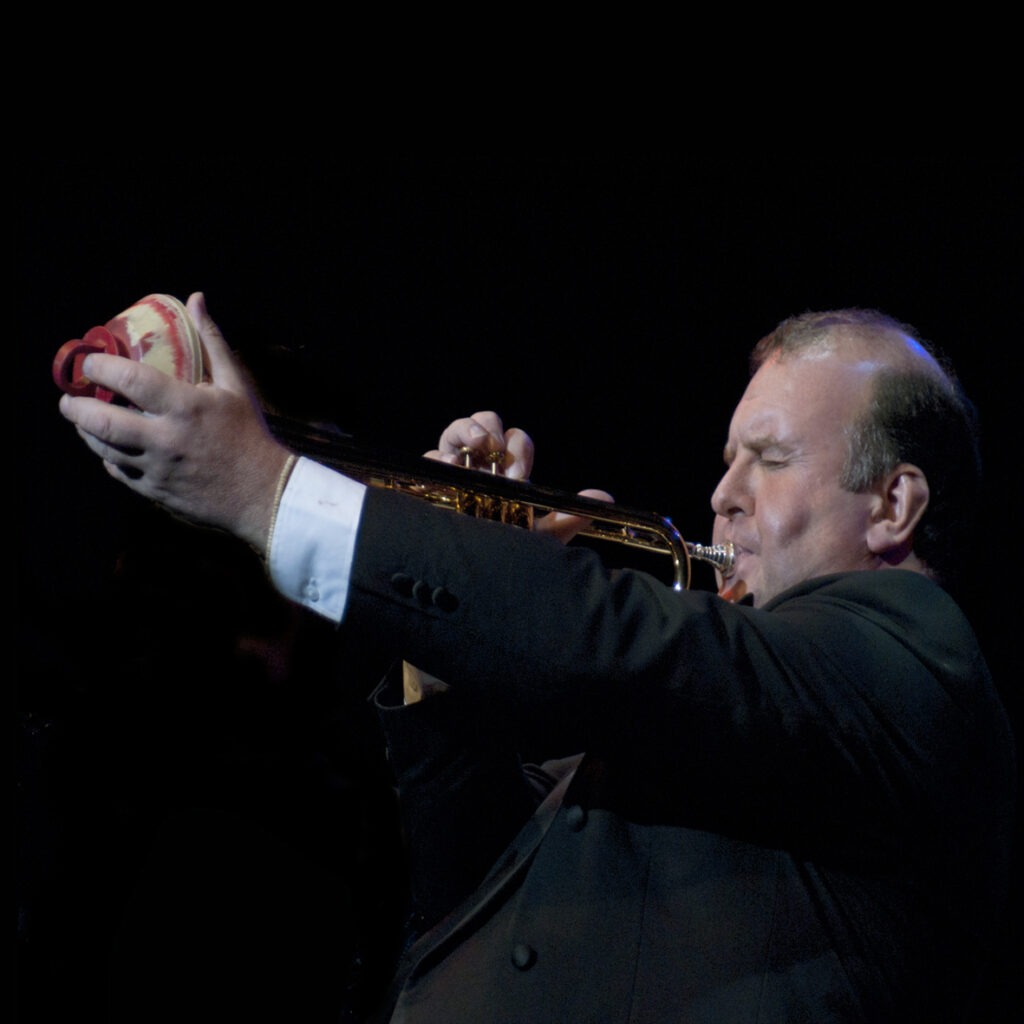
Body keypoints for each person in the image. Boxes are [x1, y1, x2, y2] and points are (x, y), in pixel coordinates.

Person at [58, 293, 1016, 1022]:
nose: (721, 494)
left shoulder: (911, 661)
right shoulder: (737, 721)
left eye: (767, 459)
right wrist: (451, 627)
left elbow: (608, 646)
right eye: (726, 457)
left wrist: (269, 489)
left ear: (894, 506)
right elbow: (466, 893)